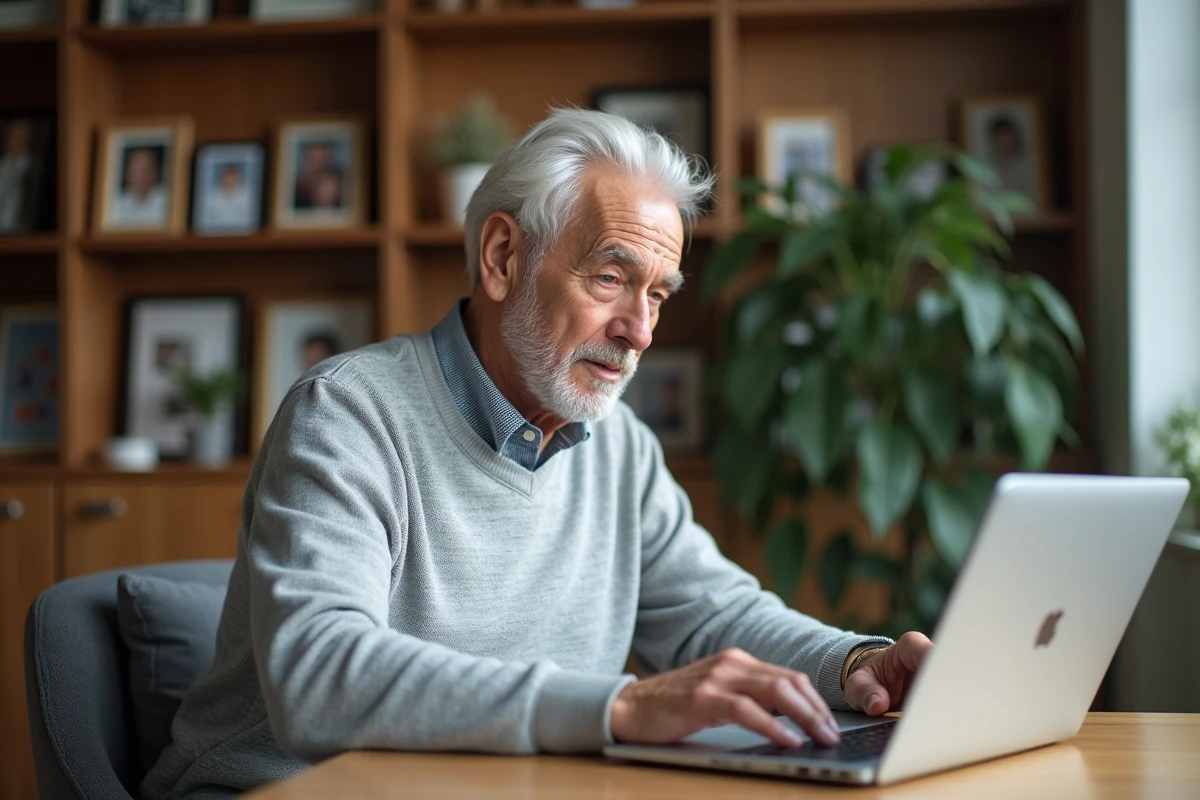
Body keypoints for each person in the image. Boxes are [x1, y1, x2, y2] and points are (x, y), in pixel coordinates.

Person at [142, 109, 932, 799]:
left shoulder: (619, 447)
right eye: (612, 278)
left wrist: (856, 663)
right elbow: (319, 675)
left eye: (657, 293)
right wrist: (617, 709)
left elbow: (713, 616)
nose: (640, 330)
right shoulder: (348, 415)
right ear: (501, 257)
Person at [111, 145, 168, 226]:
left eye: (145, 170)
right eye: (136, 171)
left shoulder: (167, 201)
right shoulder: (116, 203)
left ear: (156, 172)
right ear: (128, 173)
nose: (141, 176)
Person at [985, 113, 1035, 201]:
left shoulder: (1029, 167)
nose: (1005, 143)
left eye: (1007, 138)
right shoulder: (986, 168)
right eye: (1001, 139)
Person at [0, 118, 37, 234]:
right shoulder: (3, 163)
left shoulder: (31, 165)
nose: (15, 140)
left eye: (20, 136)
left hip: (18, 229)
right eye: (13, 136)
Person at [292, 140, 342, 210]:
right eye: (313, 160)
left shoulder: (335, 178)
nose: (317, 167)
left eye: (321, 161)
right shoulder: (296, 188)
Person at [203, 163, 253, 229]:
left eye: (233, 178)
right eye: (228, 178)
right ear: (222, 178)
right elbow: (205, 220)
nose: (230, 181)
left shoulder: (247, 197)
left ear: (239, 179)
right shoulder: (210, 196)